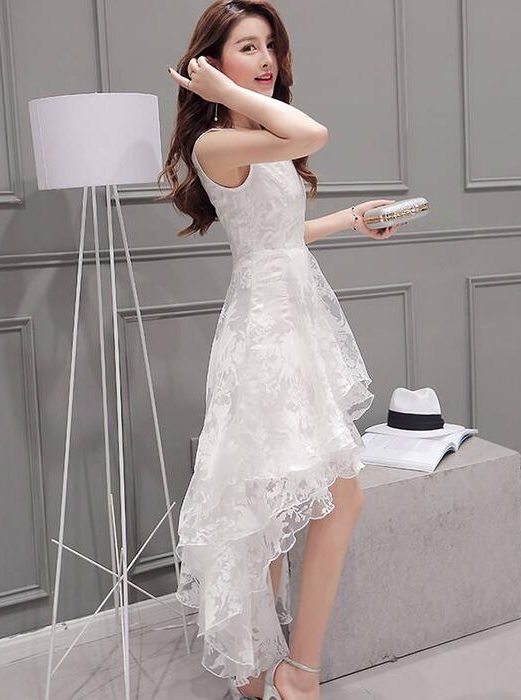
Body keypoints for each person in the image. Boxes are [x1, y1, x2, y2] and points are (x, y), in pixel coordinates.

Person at [164, 2, 401, 698]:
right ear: (212, 64)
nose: (267, 59)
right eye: (247, 47)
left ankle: (266, 671)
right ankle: (289, 673)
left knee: (289, 501)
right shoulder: (216, 142)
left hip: (294, 322)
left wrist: (351, 219)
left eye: (270, 45)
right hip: (265, 331)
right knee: (308, 497)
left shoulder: (255, 136)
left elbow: (277, 234)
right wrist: (226, 94)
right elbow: (313, 133)